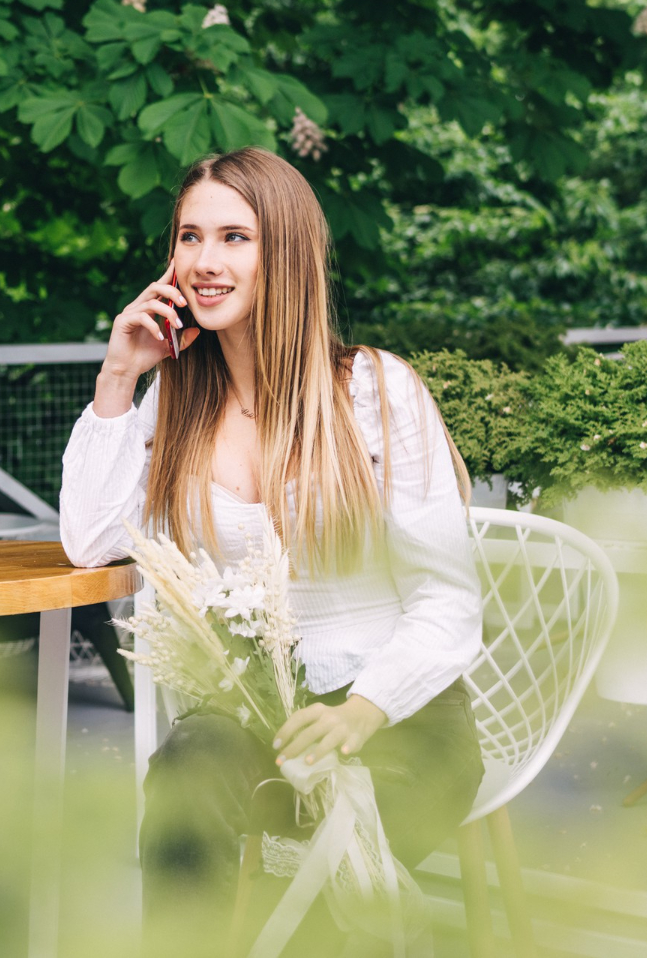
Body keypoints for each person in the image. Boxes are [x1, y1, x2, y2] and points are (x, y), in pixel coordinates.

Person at [59, 147, 484, 956]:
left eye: (233, 238)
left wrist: (364, 710)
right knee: (187, 775)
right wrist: (118, 374)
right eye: (189, 237)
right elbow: (88, 541)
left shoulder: (374, 391)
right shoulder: (175, 399)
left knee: (335, 876)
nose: (204, 262)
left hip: (401, 712)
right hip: (258, 706)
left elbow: (449, 601)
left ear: (283, 252)